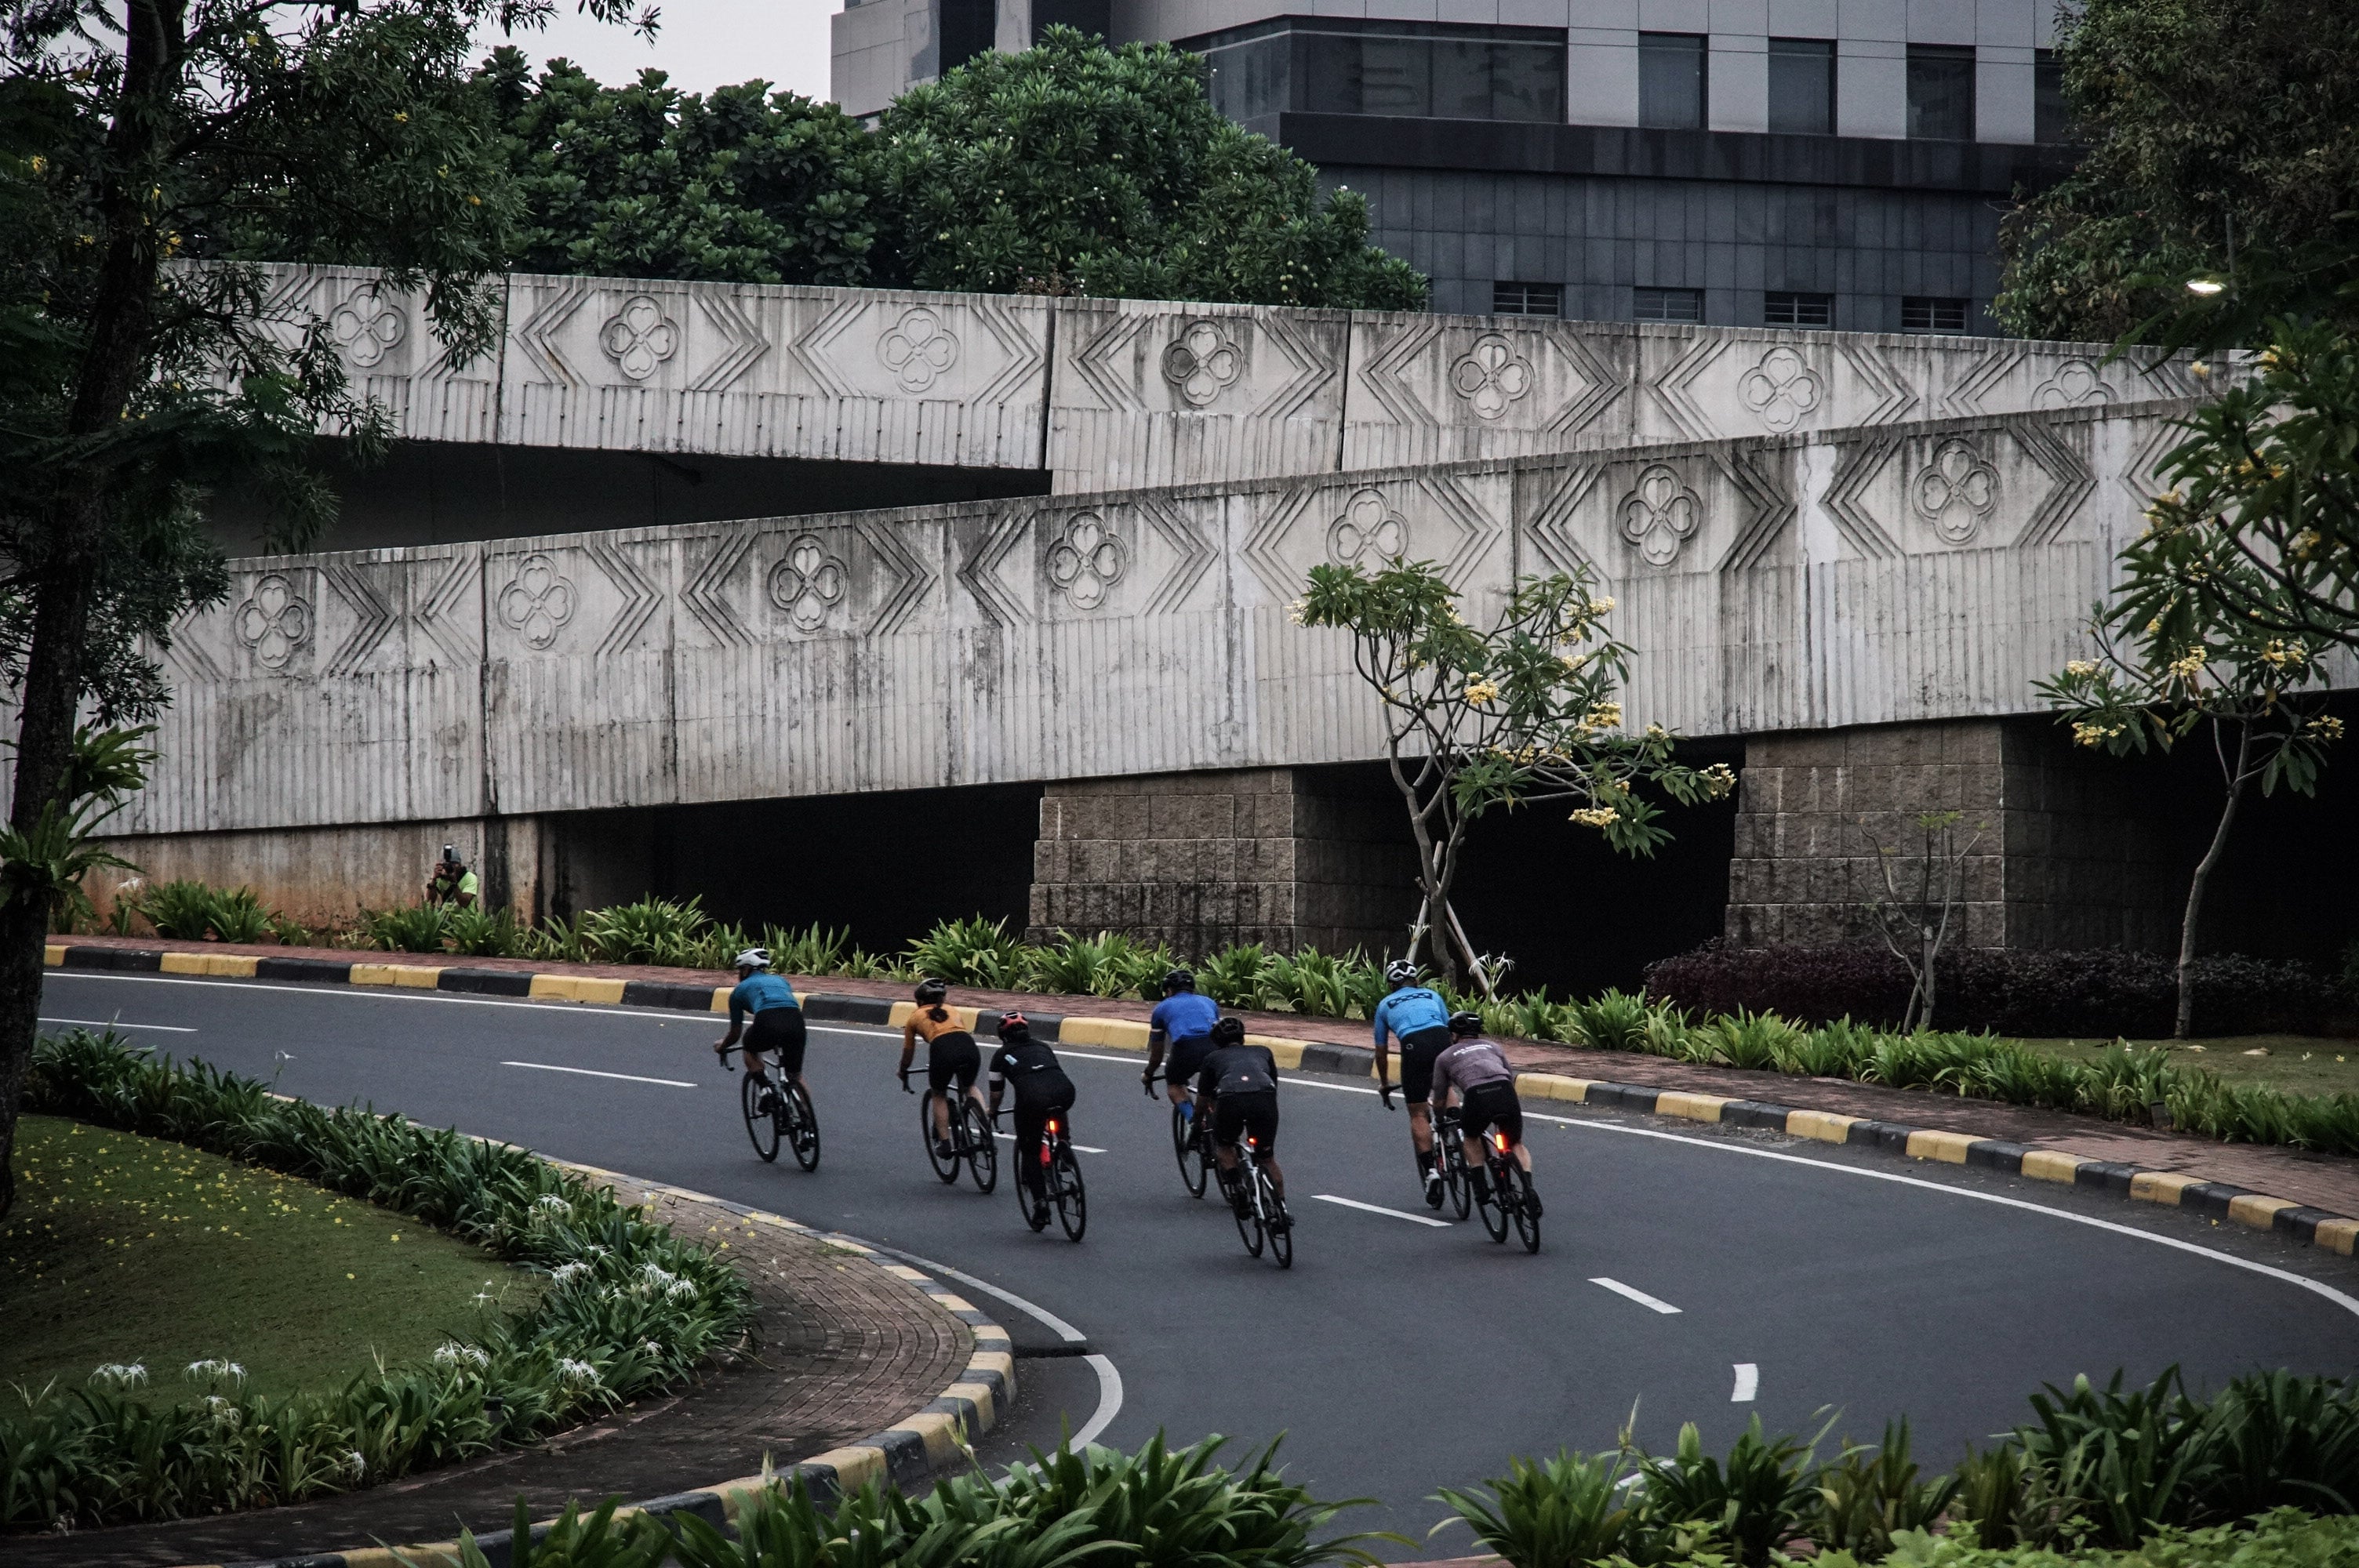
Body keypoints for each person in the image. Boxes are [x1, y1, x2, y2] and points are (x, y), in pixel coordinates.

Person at [1430, 1011, 1539, 1216]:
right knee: (1515, 1143)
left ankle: (1480, 1184)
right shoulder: (1493, 1047)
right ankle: (1528, 1188)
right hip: (1506, 1092)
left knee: (1471, 1137)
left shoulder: (1444, 1057)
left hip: (1477, 1095)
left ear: (1453, 1034)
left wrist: (1438, 1118)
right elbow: (1510, 1074)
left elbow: (1440, 1096)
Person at [1371, 959, 1455, 1205]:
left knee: (1418, 1112)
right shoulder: (1432, 995)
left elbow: (1380, 1050)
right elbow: (1451, 1031)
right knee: (1446, 1086)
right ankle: (1456, 1124)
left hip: (1413, 1045)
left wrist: (1385, 1084)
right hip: (1441, 1039)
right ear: (1417, 981)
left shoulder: (1385, 1004)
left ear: (1391, 985)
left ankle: (1431, 1172)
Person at [1195, 1016, 1285, 1223]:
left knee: (1225, 1146)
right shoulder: (1264, 1051)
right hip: (1265, 1098)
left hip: (1230, 1098)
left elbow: (1203, 1099)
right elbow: (1273, 1082)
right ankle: (1282, 1211)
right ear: (1243, 1037)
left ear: (1216, 1041)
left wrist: (1197, 1121)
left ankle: (1237, 1188)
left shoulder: (1212, 1059)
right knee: (1267, 1158)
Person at [987, 1012, 1077, 1204]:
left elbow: (996, 1094)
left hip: (1032, 1100)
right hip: (1066, 1091)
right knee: (1057, 1106)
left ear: (1002, 1035)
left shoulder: (1001, 1056)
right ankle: (1064, 1145)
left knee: (1030, 1151)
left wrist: (993, 1111)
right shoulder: (1043, 1046)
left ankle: (1040, 1204)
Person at [900, 978, 983, 1158]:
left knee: (939, 1094)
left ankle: (945, 1144)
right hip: (968, 1046)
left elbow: (908, 1051)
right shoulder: (952, 1010)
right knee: (969, 1086)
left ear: (919, 1001)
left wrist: (903, 1070)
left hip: (942, 1049)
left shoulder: (915, 1017)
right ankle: (985, 1126)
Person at [713, 948, 806, 1105]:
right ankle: (808, 1122)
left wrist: (722, 1045)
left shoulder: (739, 991)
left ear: (747, 969)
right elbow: (781, 1006)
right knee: (795, 1076)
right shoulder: (781, 981)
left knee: (748, 1045)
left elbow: (735, 1034)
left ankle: (765, 1088)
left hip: (767, 1021)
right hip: (796, 1021)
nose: (739, 974)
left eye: (741, 969)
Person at [1143, 967, 1218, 1117]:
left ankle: (1195, 1122)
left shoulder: (1161, 1008)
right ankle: (1219, 1124)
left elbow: (1157, 1056)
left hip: (1186, 1048)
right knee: (1214, 1088)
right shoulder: (1210, 1002)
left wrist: (1148, 1073)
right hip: (1215, 1046)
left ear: (1169, 991)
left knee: (1175, 1085)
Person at [423, 844, 478, 908]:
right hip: (446, 916)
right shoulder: (441, 877)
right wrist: (433, 879)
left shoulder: (470, 878)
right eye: (447, 865)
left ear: (460, 864)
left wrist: (454, 883)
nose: (450, 868)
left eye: (453, 864)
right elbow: (430, 901)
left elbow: (464, 903)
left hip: (466, 917)